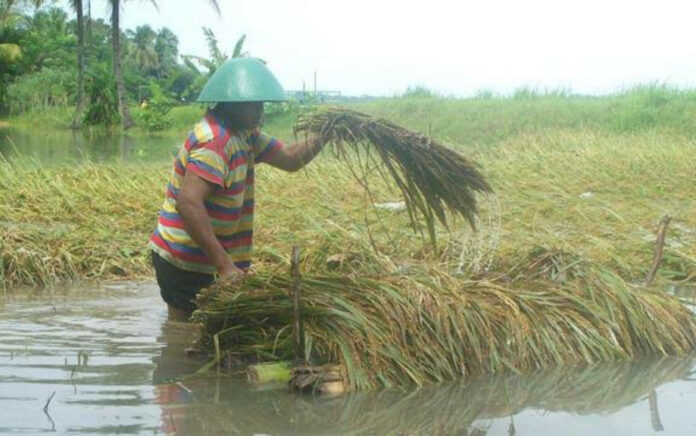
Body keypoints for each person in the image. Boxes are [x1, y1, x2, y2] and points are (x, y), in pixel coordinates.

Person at [149, 58, 326, 321]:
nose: (260, 111)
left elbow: (289, 158)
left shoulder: (245, 134)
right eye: (252, 104)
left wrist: (327, 134)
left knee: (206, 332)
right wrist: (225, 266)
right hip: (186, 260)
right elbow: (188, 203)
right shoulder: (216, 142)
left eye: (260, 103)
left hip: (207, 256)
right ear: (231, 104)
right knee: (185, 334)